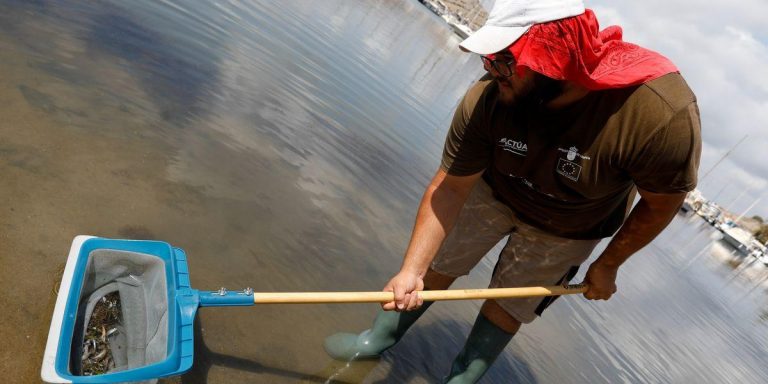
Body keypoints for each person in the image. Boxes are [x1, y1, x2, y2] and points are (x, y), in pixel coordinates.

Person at [325, 0, 702, 382]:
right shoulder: (491, 95)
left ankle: (461, 377)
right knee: (437, 264)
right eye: (489, 58)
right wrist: (409, 271)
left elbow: (661, 206)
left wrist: (607, 265)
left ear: (554, 59)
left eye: (503, 59)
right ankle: (376, 339)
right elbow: (450, 188)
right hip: (495, 188)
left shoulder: (660, 114)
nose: (489, 69)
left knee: (510, 301)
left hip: (570, 222)